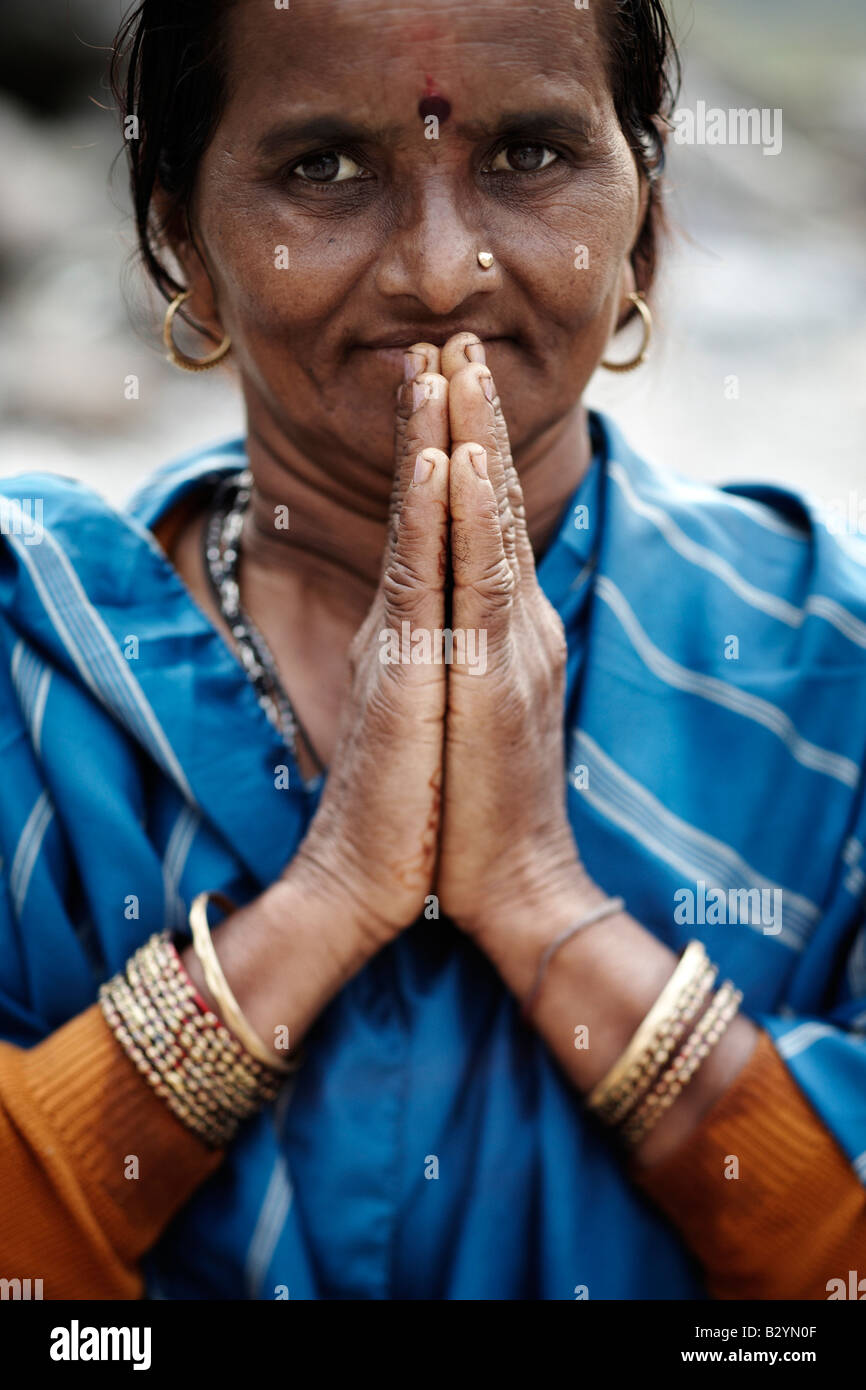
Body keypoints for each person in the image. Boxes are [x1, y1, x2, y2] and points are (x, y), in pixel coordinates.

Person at [0, 0, 864, 1301]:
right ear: (180, 234)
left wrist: (539, 902)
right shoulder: (32, 680)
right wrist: (331, 895)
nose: (440, 268)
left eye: (526, 154)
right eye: (324, 169)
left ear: (643, 207)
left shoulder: (828, 678)